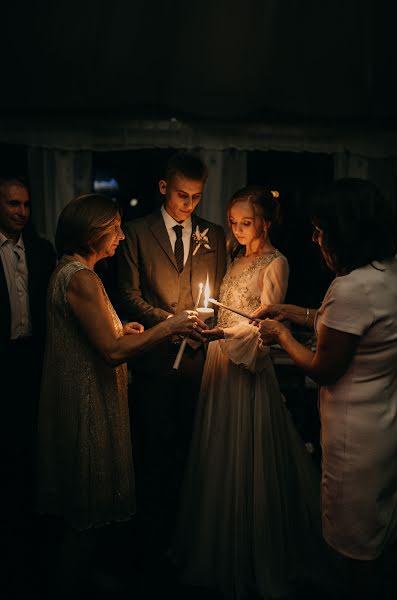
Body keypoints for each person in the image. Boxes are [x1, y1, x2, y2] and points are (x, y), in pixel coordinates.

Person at [35, 193, 208, 592]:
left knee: (85, 510)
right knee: (86, 509)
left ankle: (81, 576)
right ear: (92, 232)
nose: (120, 236)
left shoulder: (74, 271)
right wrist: (171, 325)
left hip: (85, 391)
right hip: (86, 400)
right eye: (114, 228)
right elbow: (112, 352)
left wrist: (126, 329)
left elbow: (100, 336)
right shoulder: (80, 277)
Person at [170, 186, 328, 600]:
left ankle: (254, 552)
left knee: (247, 454)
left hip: (246, 365)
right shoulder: (234, 256)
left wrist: (223, 333)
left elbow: (266, 327)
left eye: (247, 222)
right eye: (234, 222)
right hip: (218, 364)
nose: (238, 230)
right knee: (216, 451)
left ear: (266, 222)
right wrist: (209, 327)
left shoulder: (276, 263)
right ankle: (214, 544)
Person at [256, 178, 397, 599]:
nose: (315, 238)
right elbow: (346, 323)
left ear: (344, 230)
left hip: (355, 440)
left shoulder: (350, 287)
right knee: (376, 532)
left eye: (321, 229)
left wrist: (280, 333)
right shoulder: (388, 271)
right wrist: (293, 311)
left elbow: (324, 367)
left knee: (356, 547)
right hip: (385, 425)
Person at [117, 151, 226, 550]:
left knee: (192, 452)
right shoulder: (135, 232)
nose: (189, 205)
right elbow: (127, 294)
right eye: (182, 195)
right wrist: (169, 323)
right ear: (164, 187)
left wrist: (205, 326)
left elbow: (219, 294)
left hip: (200, 363)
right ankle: (148, 541)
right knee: (150, 453)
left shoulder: (213, 236)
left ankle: (189, 537)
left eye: (197, 197)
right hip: (153, 363)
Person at [0, 176, 56, 516]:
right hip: (2, 357)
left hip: (33, 357)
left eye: (26, 204)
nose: (22, 211)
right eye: (13, 203)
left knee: (32, 438)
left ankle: (29, 509)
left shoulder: (41, 250)